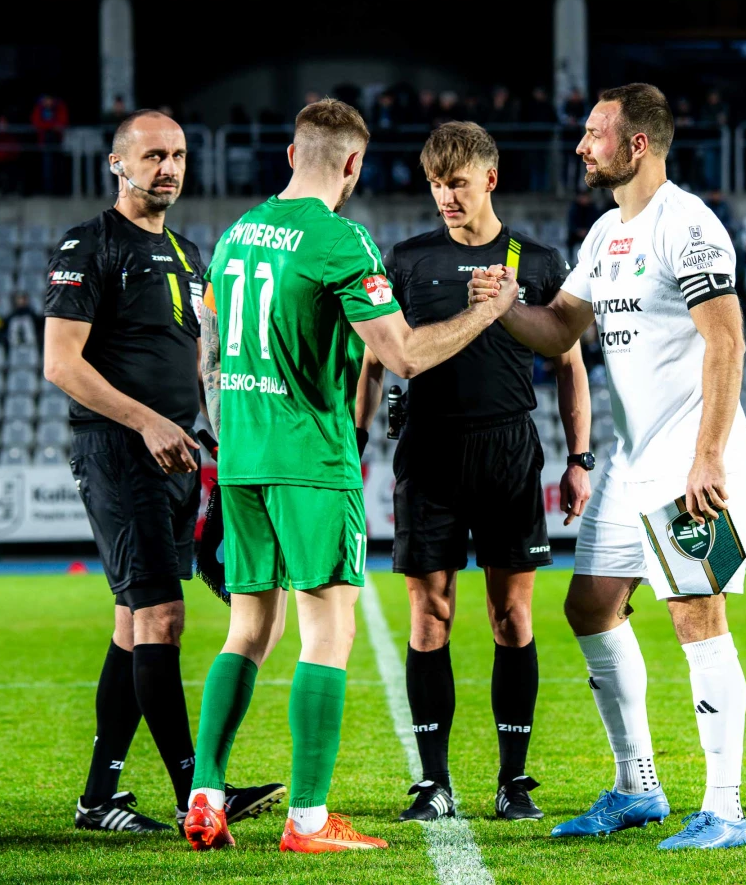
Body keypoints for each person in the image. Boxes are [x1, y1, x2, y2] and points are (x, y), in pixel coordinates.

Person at [184, 98, 522, 853]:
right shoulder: (341, 240)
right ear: (352, 164)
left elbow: (208, 355)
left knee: (248, 628)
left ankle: (205, 796)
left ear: (290, 155)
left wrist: (232, 439)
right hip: (311, 459)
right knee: (327, 634)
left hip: (240, 457)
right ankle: (307, 819)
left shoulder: (236, 236)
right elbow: (402, 354)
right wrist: (487, 312)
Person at [469, 82, 746, 851]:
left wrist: (707, 457)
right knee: (590, 607)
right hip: (632, 463)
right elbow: (561, 328)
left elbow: (726, 342)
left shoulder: (688, 226)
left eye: (594, 133)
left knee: (697, 618)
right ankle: (637, 788)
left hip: (689, 456)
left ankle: (724, 810)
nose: (581, 145)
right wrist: (505, 308)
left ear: (637, 144)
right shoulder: (603, 234)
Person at [43, 109, 284, 837]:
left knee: (133, 625)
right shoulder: (89, 244)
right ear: (118, 164)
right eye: (152, 156)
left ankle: (99, 799)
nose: (168, 168)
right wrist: (145, 421)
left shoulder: (187, 251)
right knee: (162, 618)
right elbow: (61, 363)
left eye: (177, 155)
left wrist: (223, 438)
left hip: (182, 455)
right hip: (121, 453)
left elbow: (206, 360)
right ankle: (196, 794)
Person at [354, 122, 591, 824]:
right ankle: (434, 784)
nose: (445, 197)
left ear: (489, 179)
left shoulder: (535, 261)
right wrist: (355, 441)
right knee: (430, 615)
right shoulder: (407, 259)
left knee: (511, 616)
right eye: (435, 184)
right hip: (427, 451)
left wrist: (579, 459)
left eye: (456, 183)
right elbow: (373, 361)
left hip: (509, 451)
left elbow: (570, 366)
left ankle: (513, 782)